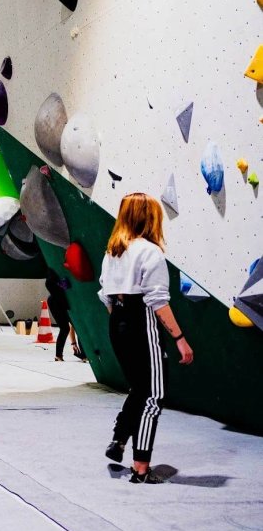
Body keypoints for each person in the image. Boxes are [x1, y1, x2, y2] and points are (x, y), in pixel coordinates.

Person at [98, 193, 194, 484]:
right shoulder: (150, 251)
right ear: (150, 217)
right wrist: (179, 337)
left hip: (118, 321)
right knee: (154, 395)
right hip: (142, 321)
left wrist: (121, 321)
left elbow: (105, 296)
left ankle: (119, 438)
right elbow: (158, 301)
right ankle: (141, 467)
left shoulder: (112, 251)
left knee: (139, 388)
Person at [46, 268, 82, 362]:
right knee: (65, 328)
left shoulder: (56, 274)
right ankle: (59, 355)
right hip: (57, 302)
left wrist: (74, 343)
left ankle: (83, 354)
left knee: (72, 327)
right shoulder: (53, 276)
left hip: (61, 301)